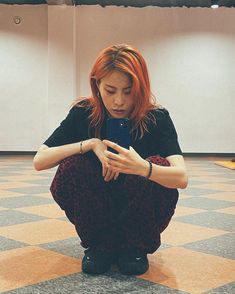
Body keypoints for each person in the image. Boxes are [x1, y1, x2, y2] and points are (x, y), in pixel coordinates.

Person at [33, 44, 188, 276]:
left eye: (128, 91)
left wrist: (143, 168)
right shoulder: (83, 113)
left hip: (139, 212)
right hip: (96, 209)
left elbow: (181, 177)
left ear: (141, 87)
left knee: (160, 165)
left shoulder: (157, 118)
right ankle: (100, 245)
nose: (119, 101)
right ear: (97, 84)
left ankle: (133, 247)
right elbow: (40, 160)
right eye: (110, 90)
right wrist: (89, 144)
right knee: (71, 164)